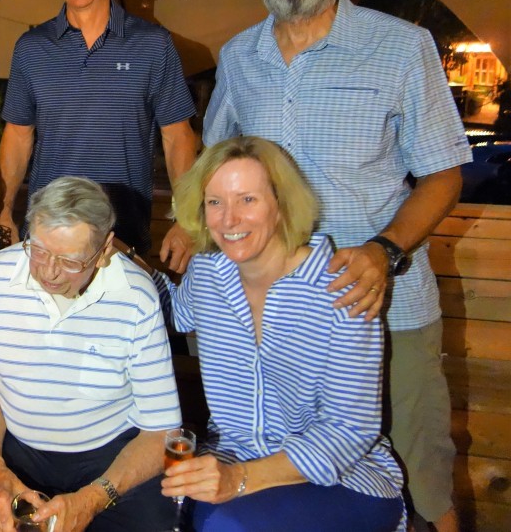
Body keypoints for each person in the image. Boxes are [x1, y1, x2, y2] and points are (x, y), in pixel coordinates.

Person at [203, 0, 470, 531]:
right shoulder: (240, 57)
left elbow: (444, 174)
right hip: (283, 314)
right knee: (297, 477)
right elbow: (215, 165)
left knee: (424, 482)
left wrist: (386, 252)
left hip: (384, 300)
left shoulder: (402, 46)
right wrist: (195, 232)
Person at [0, 176, 181, 532]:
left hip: (108, 455)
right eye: (40, 250)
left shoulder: (137, 296)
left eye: (69, 261)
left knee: (162, 523)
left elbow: (162, 432)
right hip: (18, 446)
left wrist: (93, 499)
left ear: (106, 247)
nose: (49, 272)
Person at [160, 136, 405, 532]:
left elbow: (350, 431)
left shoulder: (342, 287)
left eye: (247, 200)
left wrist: (238, 480)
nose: (229, 219)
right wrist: (109, 250)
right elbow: (173, 311)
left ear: (281, 205)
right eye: (215, 202)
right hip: (231, 460)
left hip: (340, 476)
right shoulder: (208, 273)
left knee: (227, 526)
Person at [0, 0, 197, 269]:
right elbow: (17, 135)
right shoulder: (31, 48)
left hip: (123, 240)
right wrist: (4, 207)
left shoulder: (153, 45)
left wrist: (186, 219)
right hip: (46, 241)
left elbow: (177, 136)